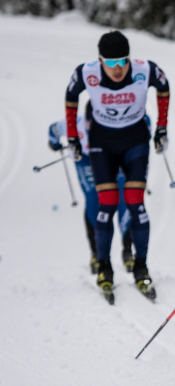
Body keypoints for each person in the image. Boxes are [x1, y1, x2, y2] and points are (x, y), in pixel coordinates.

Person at [64, 30, 170, 300]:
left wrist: (161, 128)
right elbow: (71, 97)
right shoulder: (86, 73)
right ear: (100, 61)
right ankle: (104, 267)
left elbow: (164, 87)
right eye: (110, 63)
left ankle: (141, 267)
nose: (118, 68)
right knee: (106, 205)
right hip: (102, 144)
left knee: (136, 203)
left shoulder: (144, 70)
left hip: (135, 141)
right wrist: (73, 137)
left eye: (123, 61)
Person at [48, 101, 137, 273]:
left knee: (123, 198)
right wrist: (54, 143)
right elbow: (52, 130)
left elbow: (144, 122)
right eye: (91, 123)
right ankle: (97, 254)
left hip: (112, 159)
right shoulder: (73, 125)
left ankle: (128, 251)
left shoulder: (117, 123)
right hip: (87, 160)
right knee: (93, 199)